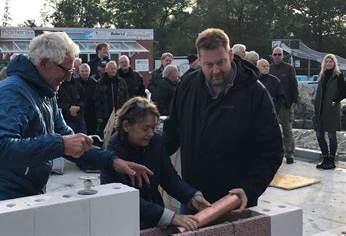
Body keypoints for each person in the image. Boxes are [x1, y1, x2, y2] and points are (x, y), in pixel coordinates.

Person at [0, 32, 152, 204]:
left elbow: (69, 139)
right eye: (66, 70)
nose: (67, 78)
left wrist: (112, 161)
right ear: (44, 63)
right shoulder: (12, 93)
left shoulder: (45, 93)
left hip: (23, 195)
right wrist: (60, 144)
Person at [163, 28, 283, 211]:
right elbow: (171, 135)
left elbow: (272, 149)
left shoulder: (254, 92)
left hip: (235, 203)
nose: (216, 70)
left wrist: (250, 189)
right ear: (199, 60)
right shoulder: (187, 87)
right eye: (208, 65)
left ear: (230, 55)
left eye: (221, 62)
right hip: (194, 200)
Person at [101, 97, 211, 230]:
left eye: (154, 128)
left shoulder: (155, 142)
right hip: (126, 222)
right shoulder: (113, 153)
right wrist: (170, 217)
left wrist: (192, 196)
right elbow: (124, 200)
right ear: (126, 126)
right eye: (145, 128)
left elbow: (169, 178)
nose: (151, 133)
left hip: (154, 217)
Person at [313, 54, 345, 170]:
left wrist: (335, 101)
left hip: (331, 109)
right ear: (324, 63)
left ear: (334, 63)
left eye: (330, 61)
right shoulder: (321, 75)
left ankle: (332, 160)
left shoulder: (338, 75)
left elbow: (343, 91)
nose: (328, 63)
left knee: (331, 136)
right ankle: (325, 158)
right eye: (326, 61)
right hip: (320, 109)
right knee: (319, 134)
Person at [269, 47, 299, 164]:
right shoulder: (269, 68)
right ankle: (274, 152)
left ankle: (290, 153)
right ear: (272, 55)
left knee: (287, 130)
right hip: (271, 105)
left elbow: (294, 86)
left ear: (282, 55)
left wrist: (295, 101)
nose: (277, 56)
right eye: (275, 54)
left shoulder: (289, 68)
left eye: (279, 54)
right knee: (272, 130)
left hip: (285, 104)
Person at [95, 61, 129, 138]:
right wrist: (99, 116)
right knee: (105, 136)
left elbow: (126, 98)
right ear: (106, 70)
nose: (113, 70)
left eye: (114, 69)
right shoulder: (100, 82)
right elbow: (97, 100)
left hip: (118, 114)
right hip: (105, 115)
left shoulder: (121, 82)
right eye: (111, 69)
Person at [77, 63, 98, 136]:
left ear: (89, 72)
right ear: (79, 72)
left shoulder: (95, 83)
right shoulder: (75, 82)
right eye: (82, 71)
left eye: (86, 71)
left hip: (92, 113)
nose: (84, 73)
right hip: (79, 113)